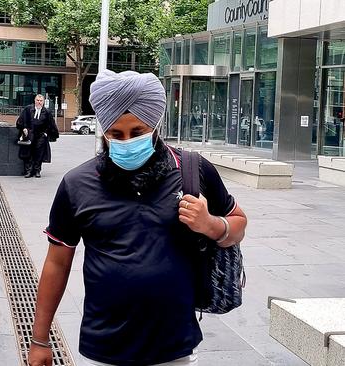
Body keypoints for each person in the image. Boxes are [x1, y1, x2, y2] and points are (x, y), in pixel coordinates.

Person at [28, 70, 247, 366]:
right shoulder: (77, 183)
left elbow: (238, 223)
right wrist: (40, 339)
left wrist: (211, 225)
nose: (127, 141)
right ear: (104, 130)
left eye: (138, 132)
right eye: (116, 134)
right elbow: (57, 262)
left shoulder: (193, 170)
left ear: (155, 126)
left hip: (175, 346)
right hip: (104, 347)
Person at [16, 94, 59, 178]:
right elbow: (22, 120)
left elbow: (51, 124)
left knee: (39, 154)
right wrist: (24, 128)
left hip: (41, 136)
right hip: (29, 134)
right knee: (28, 153)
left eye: (41, 101)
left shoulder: (46, 112)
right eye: (37, 100)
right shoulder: (28, 109)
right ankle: (28, 171)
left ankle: (37, 171)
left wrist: (46, 133)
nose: (39, 102)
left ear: (43, 102)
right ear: (34, 101)